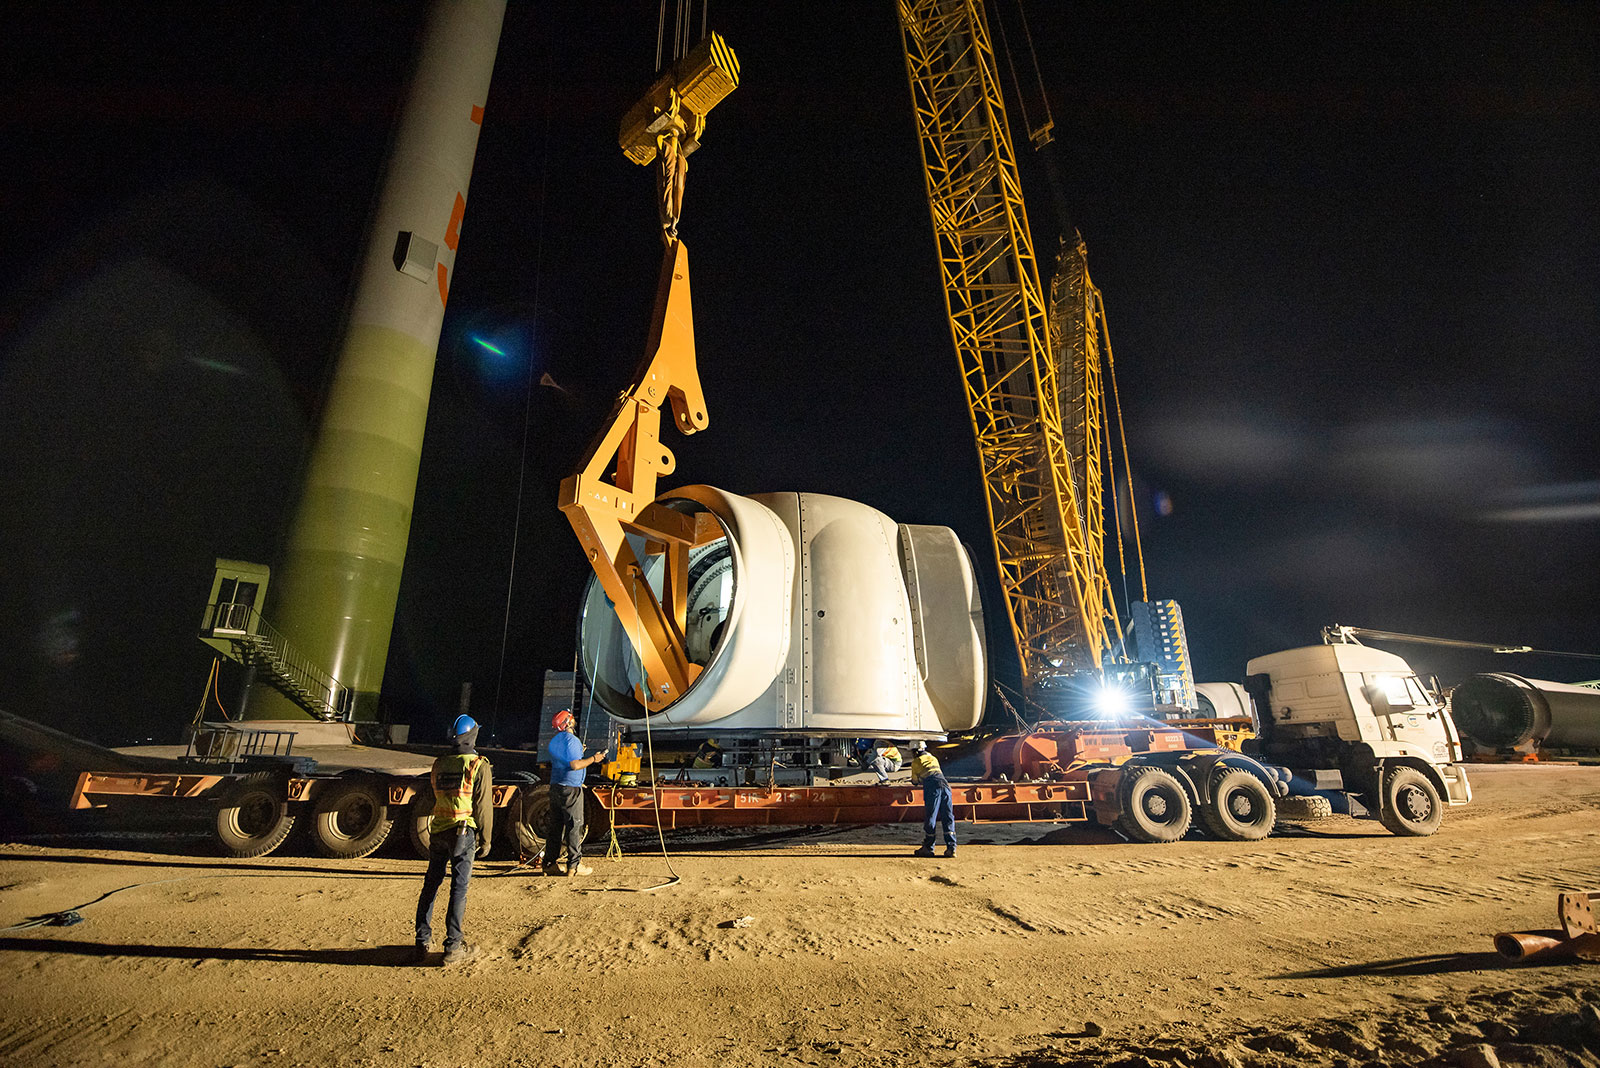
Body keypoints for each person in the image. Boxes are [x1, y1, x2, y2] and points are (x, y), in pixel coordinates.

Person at [414, 713, 493, 966]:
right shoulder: (478, 765)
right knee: (458, 889)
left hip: (438, 830)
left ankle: (422, 941)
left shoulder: (439, 763)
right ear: (473, 735)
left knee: (431, 885)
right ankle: (453, 947)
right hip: (463, 832)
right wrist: (486, 839)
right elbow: (483, 808)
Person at [544, 708, 608, 877]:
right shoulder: (572, 741)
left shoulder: (555, 740)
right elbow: (574, 765)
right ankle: (574, 865)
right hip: (570, 789)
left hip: (556, 786)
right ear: (568, 723)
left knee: (556, 826)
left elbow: (565, 759)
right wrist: (594, 759)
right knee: (574, 826)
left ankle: (549, 864)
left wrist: (580, 751)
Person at [909, 742, 955, 858]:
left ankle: (928, 848)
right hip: (945, 785)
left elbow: (915, 781)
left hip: (932, 787)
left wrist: (917, 780)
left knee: (931, 816)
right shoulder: (933, 758)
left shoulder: (916, 762)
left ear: (915, 752)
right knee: (948, 816)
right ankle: (951, 848)